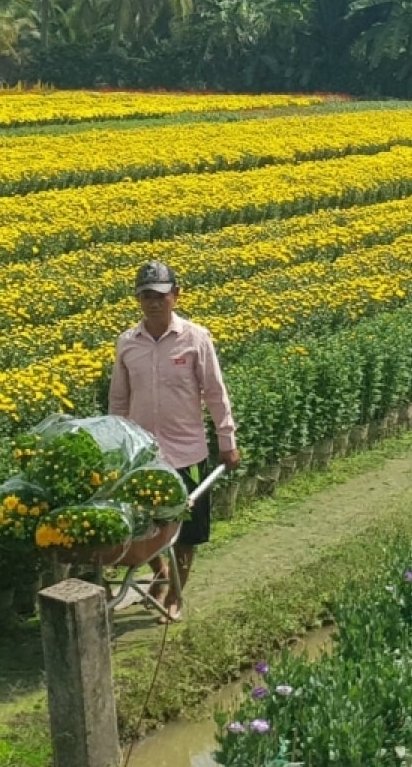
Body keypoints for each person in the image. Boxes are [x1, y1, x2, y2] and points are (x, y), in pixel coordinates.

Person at [107, 260, 240, 623]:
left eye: (161, 296)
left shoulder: (196, 338)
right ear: (138, 299)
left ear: (175, 296)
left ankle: (175, 597)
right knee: (143, 525)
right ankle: (162, 573)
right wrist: (117, 446)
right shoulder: (127, 343)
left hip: (187, 452)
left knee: (187, 530)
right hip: (143, 456)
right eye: (147, 296)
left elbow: (215, 392)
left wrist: (227, 439)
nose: (154, 303)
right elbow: (119, 400)